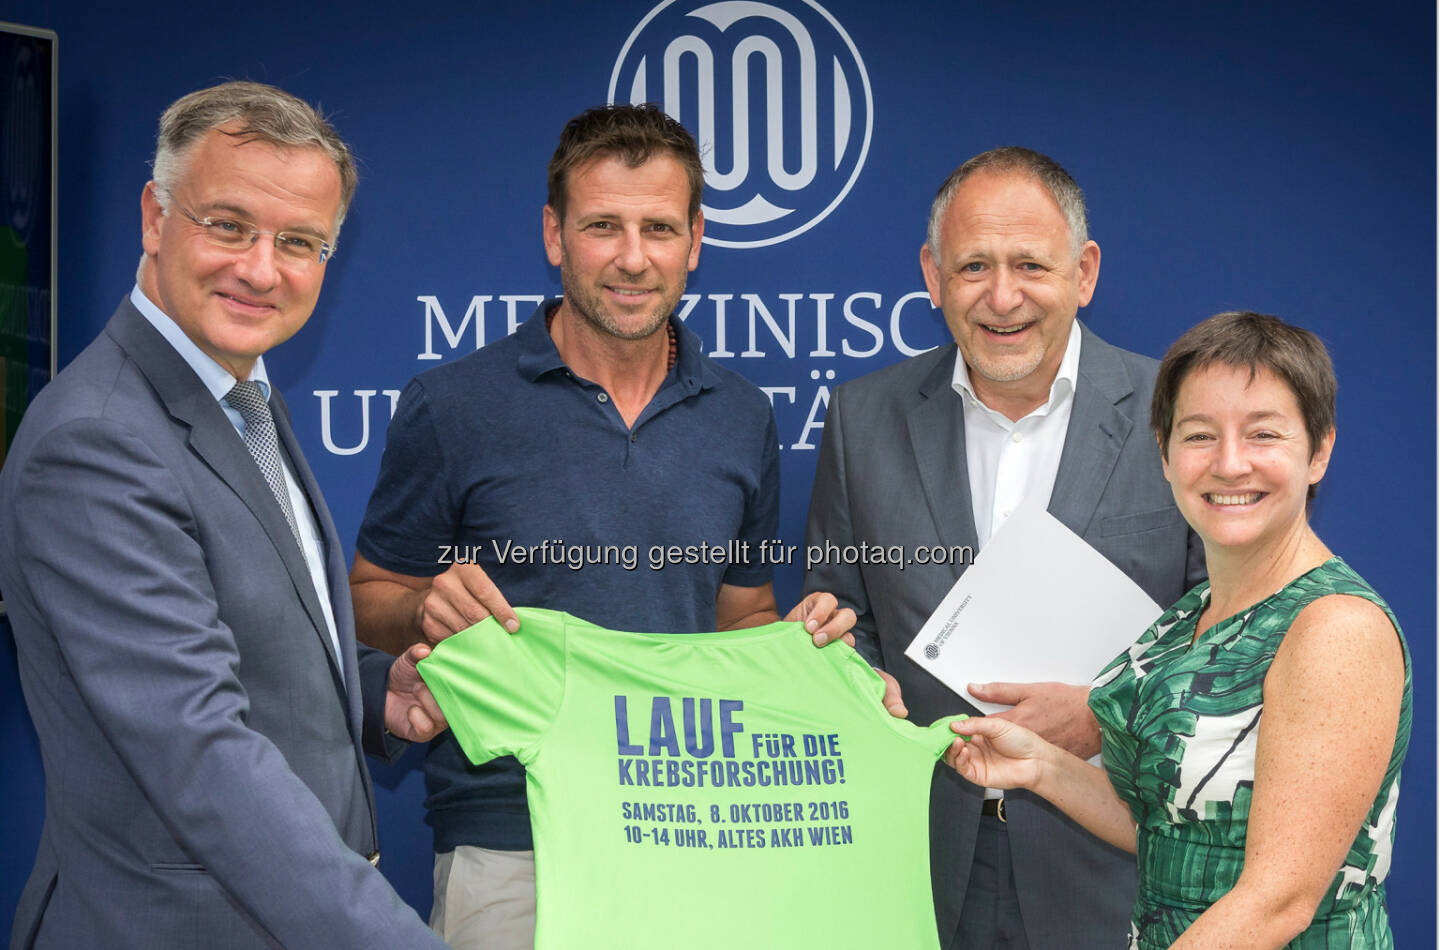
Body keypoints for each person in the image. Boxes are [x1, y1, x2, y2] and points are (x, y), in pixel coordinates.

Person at [350, 103, 854, 950]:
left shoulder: (742, 416)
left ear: (696, 241)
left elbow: (741, 616)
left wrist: (796, 653)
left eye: (659, 228)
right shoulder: (451, 406)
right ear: (554, 235)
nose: (632, 257)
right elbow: (370, 598)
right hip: (511, 840)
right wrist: (421, 610)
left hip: (696, 826)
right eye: (602, 226)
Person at [0, 81, 450, 950]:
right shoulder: (98, 442)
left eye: (299, 241)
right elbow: (200, 754)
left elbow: (248, 647)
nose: (261, 270)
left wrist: (374, 696)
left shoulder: (241, 395)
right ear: (154, 217)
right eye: (229, 225)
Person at [803, 146, 1207, 949]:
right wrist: (848, 670)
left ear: (1084, 273)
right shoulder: (861, 418)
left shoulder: (1180, 415)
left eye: (1030, 265)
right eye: (974, 266)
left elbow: (1227, 635)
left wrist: (1105, 713)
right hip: (919, 862)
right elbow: (847, 616)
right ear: (933, 276)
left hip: (1112, 866)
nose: (1002, 296)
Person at [948, 311, 1410, 948]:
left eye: (1263, 434)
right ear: (1163, 455)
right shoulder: (1189, 617)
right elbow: (1174, 834)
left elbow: (1277, 903)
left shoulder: (1335, 629)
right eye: (1199, 436)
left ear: (1319, 451)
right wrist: (1043, 767)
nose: (1229, 463)